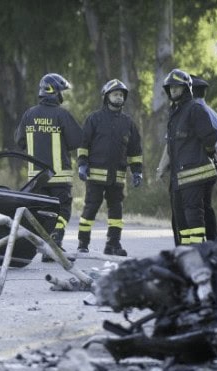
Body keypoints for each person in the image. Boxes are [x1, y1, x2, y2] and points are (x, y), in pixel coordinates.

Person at [14, 73, 83, 250]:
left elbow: (19, 141)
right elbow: (77, 140)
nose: (62, 96)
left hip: (37, 177)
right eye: (62, 92)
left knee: (45, 211)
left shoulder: (29, 114)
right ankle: (55, 239)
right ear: (55, 92)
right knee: (63, 210)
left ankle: (47, 245)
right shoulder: (62, 115)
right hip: (59, 176)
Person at [76, 79, 143, 256]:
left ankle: (113, 244)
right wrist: (82, 164)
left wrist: (137, 171)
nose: (119, 97)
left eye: (121, 95)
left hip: (118, 178)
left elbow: (135, 150)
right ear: (106, 97)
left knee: (116, 212)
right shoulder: (94, 119)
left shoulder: (128, 123)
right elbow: (83, 144)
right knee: (90, 209)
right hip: (95, 176)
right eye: (115, 94)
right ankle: (83, 243)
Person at [163, 69, 217, 246]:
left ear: (186, 88)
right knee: (181, 220)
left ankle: (198, 253)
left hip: (195, 175)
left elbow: (210, 138)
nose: (173, 90)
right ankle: (187, 253)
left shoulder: (194, 109)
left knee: (193, 217)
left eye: (177, 87)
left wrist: (206, 154)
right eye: (170, 87)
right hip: (179, 177)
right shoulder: (175, 113)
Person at [191, 75, 217, 244]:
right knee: (207, 206)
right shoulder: (215, 115)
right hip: (211, 169)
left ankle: (198, 245)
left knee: (193, 209)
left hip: (193, 169)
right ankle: (213, 242)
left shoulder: (190, 113)